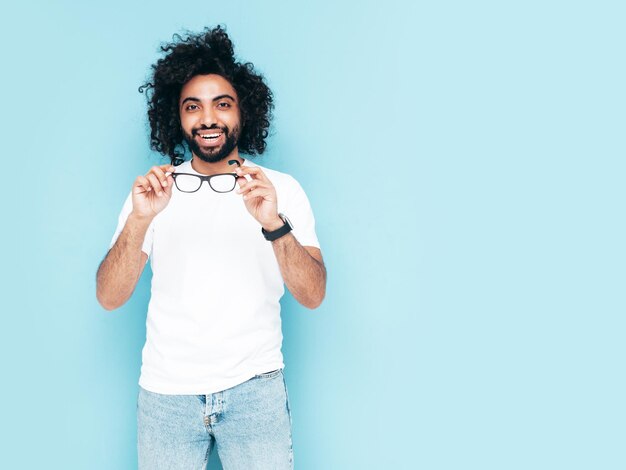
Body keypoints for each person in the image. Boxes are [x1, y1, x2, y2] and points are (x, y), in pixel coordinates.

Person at [96, 26, 326, 469]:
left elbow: (313, 295)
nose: (207, 118)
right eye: (192, 106)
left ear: (244, 112)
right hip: (167, 396)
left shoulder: (281, 190)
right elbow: (109, 297)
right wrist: (142, 218)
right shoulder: (154, 192)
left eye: (222, 104)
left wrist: (273, 224)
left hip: (254, 390)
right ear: (176, 117)